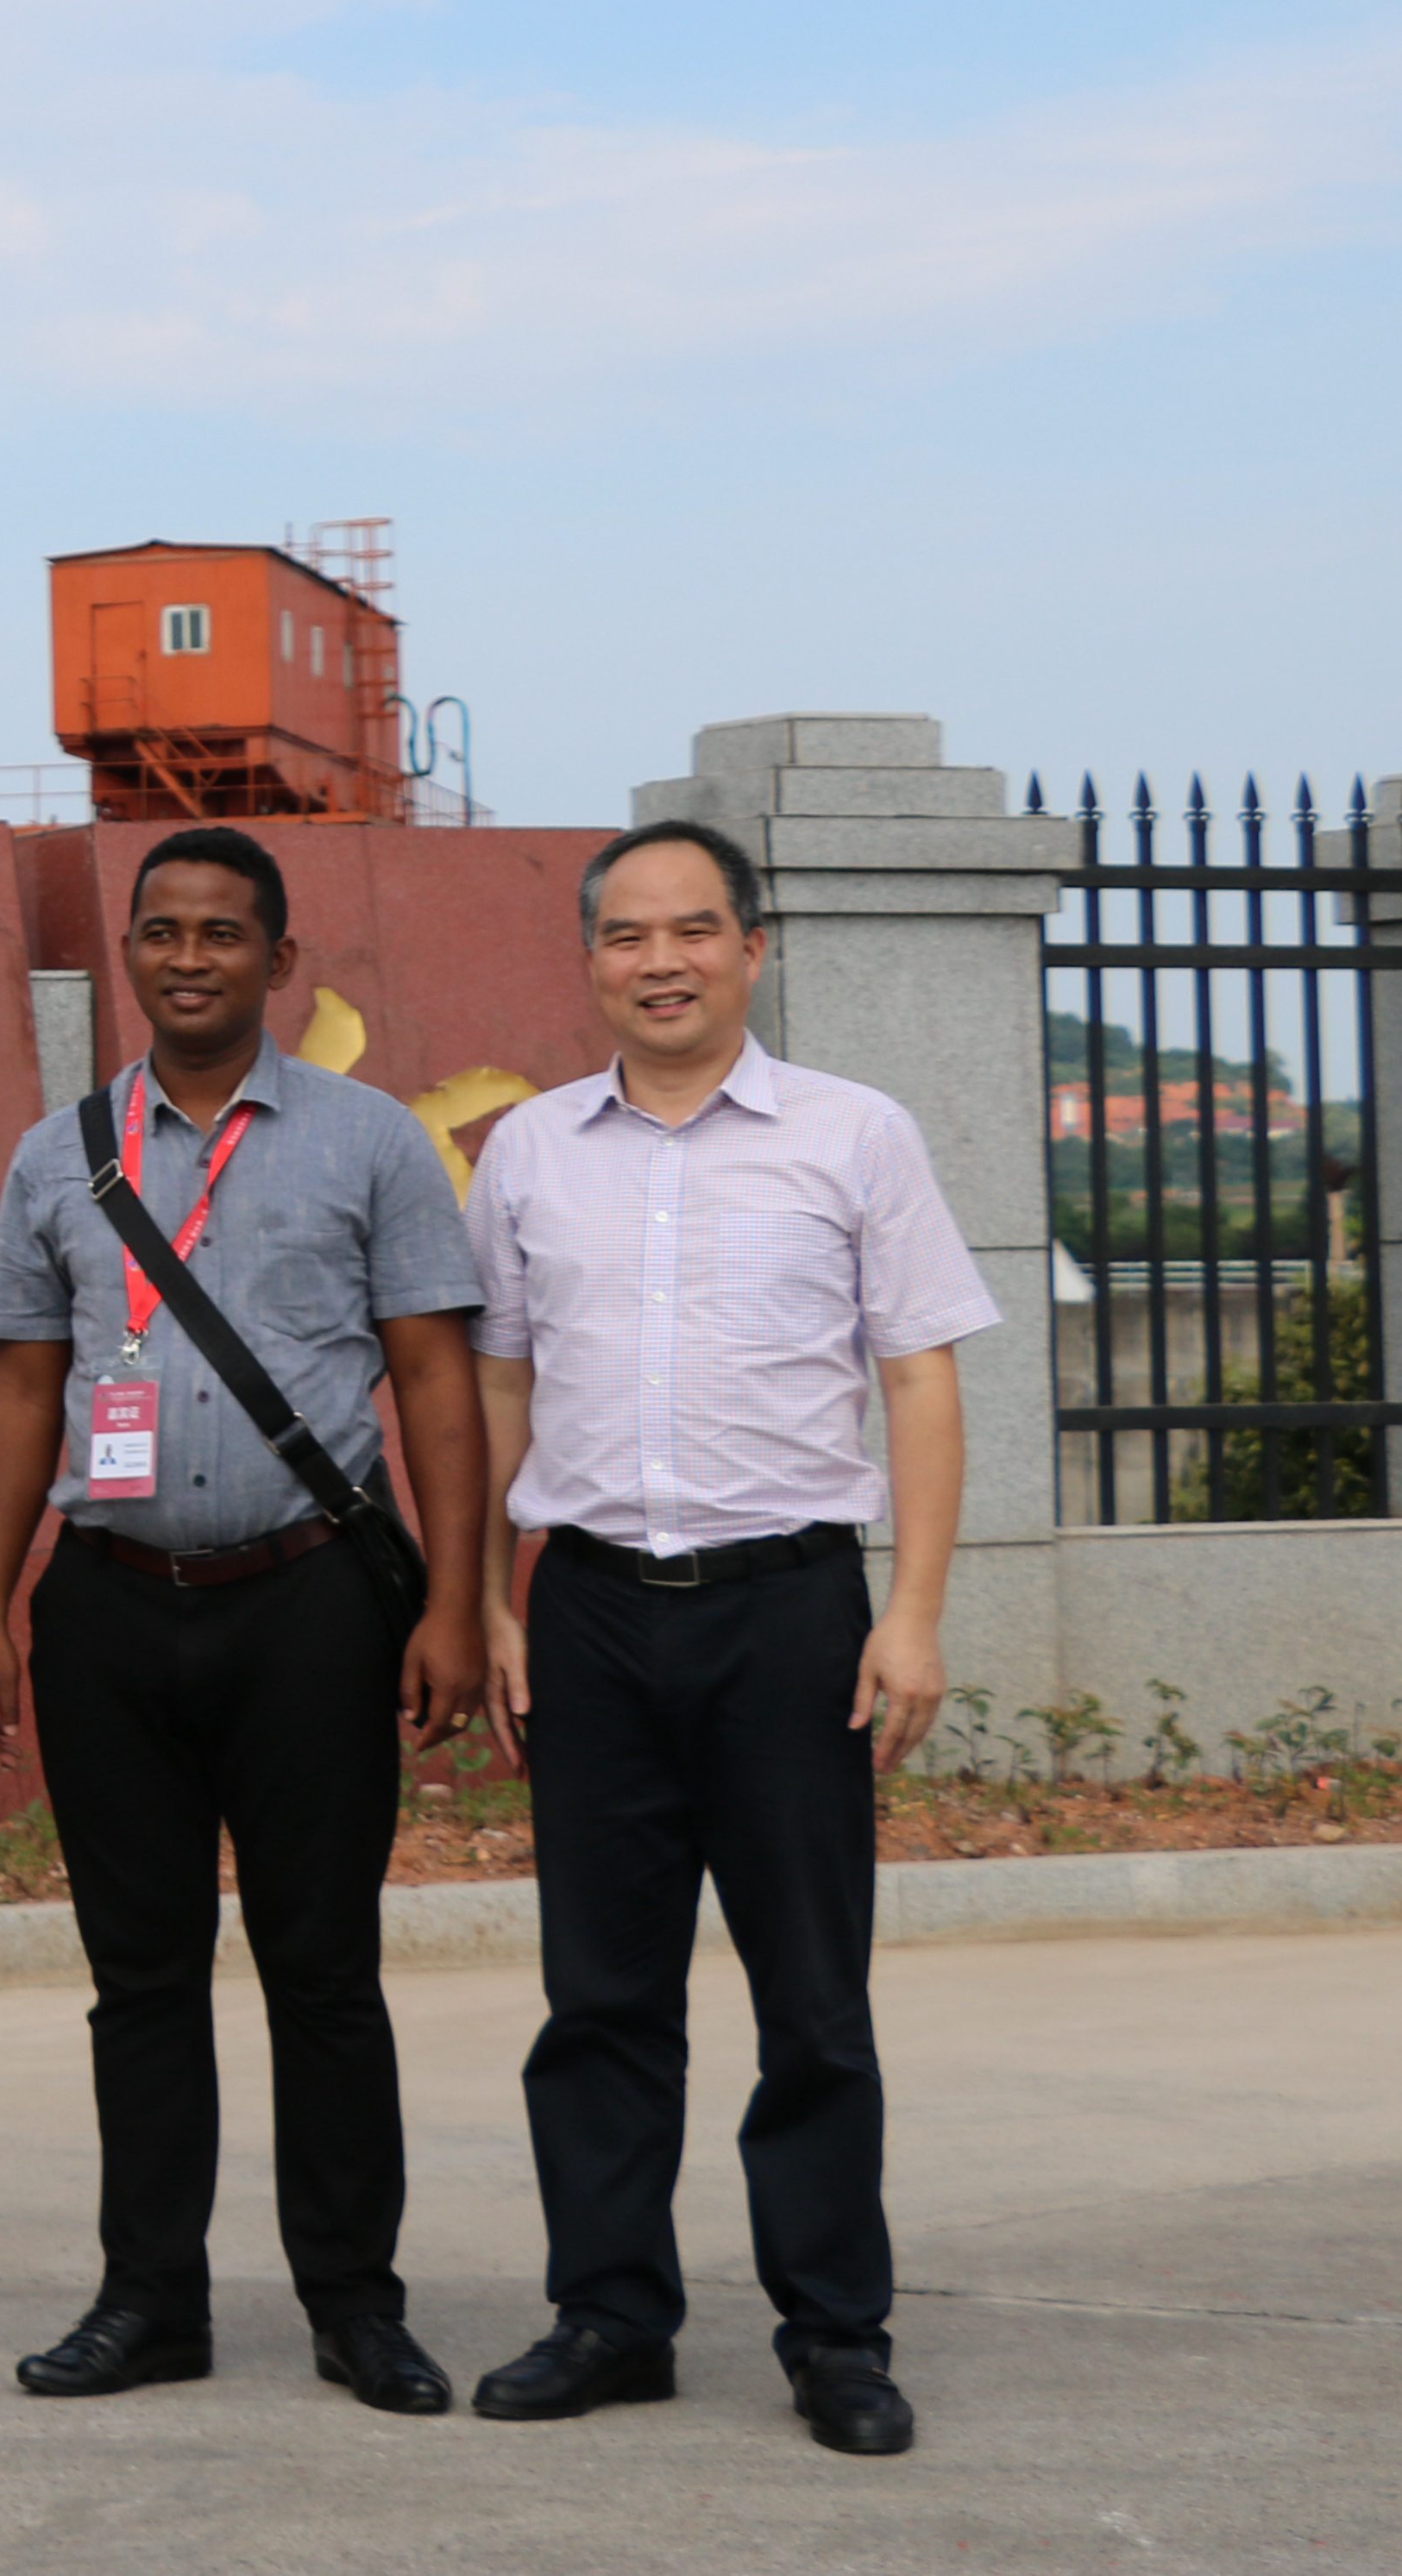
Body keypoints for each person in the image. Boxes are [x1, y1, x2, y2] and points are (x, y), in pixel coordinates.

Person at [461, 818, 989, 2457]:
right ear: (589, 962)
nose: (661, 961)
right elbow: (495, 1386)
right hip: (595, 1612)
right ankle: (611, 2315)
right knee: (600, 1997)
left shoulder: (853, 1135)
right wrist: (488, 1596)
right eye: (626, 937)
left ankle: (835, 2333)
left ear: (751, 950)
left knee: (811, 1999)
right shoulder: (530, 1151)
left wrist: (909, 1613)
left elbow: (918, 1375)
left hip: (789, 1614)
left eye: (694, 931)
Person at [0, 823, 489, 2416]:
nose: (189, 958)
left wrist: (454, 1602)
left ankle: (354, 2303)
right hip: (109, 1612)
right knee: (140, 1974)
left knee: (321, 1970)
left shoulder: (371, 1142)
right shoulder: (61, 1153)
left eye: (222, 934)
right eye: (162, 931)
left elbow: (437, 1382)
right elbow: (17, 1386)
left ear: (279, 959)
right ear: (127, 952)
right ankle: (149, 2300)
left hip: (309, 1604)